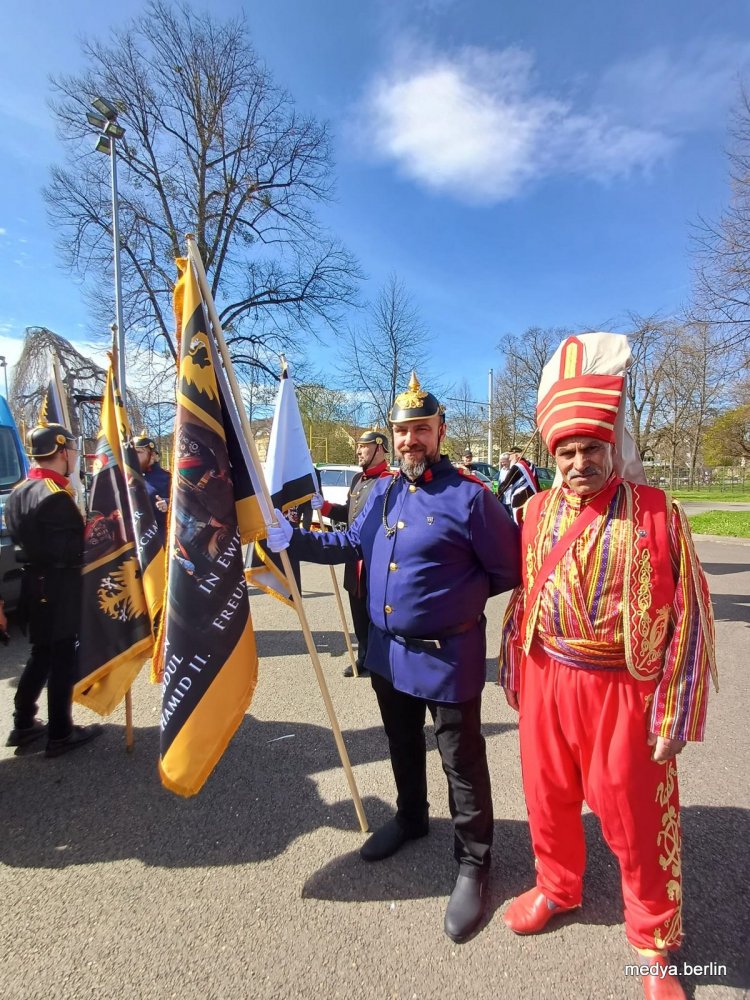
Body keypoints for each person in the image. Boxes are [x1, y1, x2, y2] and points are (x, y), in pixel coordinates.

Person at [498, 333, 717, 1000]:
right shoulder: (533, 512)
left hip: (624, 689)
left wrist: (677, 709)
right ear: (552, 457)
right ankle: (558, 886)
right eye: (565, 451)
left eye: (590, 448)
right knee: (548, 799)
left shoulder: (658, 512)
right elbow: (525, 592)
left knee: (636, 816)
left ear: (612, 447)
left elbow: (691, 617)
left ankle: (655, 942)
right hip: (548, 680)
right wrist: (516, 669)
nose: (578, 461)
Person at [268, 372, 521, 942]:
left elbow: (509, 570)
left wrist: (452, 603)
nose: (411, 440)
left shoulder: (472, 500)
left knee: (462, 761)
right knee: (400, 743)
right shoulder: (382, 491)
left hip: (448, 655)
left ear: (441, 432)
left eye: (421, 430)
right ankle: (410, 818)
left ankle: (474, 861)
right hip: (386, 652)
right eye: (402, 430)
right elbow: (349, 543)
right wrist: (292, 538)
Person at [4, 423, 103, 756]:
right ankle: (60, 732)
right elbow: (71, 551)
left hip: (34, 582)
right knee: (62, 657)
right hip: (59, 586)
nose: (74, 456)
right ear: (61, 452)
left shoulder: (20, 490)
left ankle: (23, 722)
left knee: (42, 653)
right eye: (72, 450)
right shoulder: (56, 496)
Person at [317, 430, 390, 678]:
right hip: (354, 560)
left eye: (364, 447)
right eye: (358, 447)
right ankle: (364, 659)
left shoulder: (390, 480)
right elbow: (350, 513)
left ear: (379, 448)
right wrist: (325, 507)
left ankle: (383, 661)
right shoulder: (358, 479)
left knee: (377, 615)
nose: (358, 451)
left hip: (376, 560)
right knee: (358, 612)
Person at [133, 433, 172, 545]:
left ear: (153, 456)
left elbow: (185, 502)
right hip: (134, 540)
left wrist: (167, 503)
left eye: (139, 452)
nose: (134, 456)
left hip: (159, 539)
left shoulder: (167, 477)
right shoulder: (127, 476)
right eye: (132, 453)